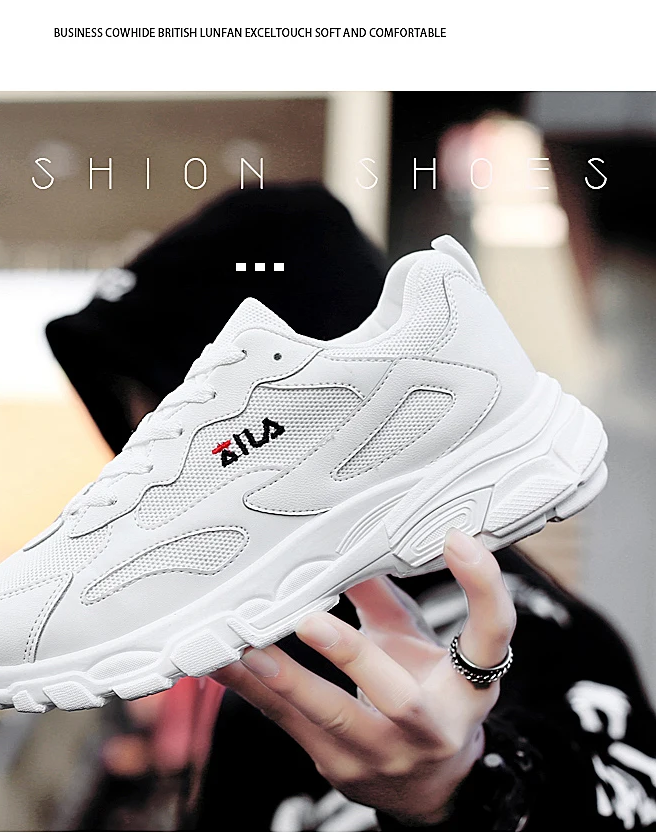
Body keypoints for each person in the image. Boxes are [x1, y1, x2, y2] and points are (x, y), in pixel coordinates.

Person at [48, 185, 656, 830]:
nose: (149, 454)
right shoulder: (285, 625)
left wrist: (458, 790)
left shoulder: (504, 630)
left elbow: (572, 779)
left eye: (170, 413)